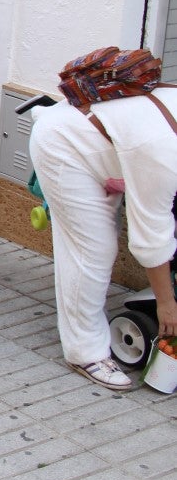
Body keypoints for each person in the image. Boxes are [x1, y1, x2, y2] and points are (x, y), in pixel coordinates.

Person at [29, 79, 177, 391]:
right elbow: (149, 238)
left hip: (110, 146)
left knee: (102, 239)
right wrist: (166, 304)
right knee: (94, 250)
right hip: (66, 147)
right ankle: (85, 353)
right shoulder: (165, 151)